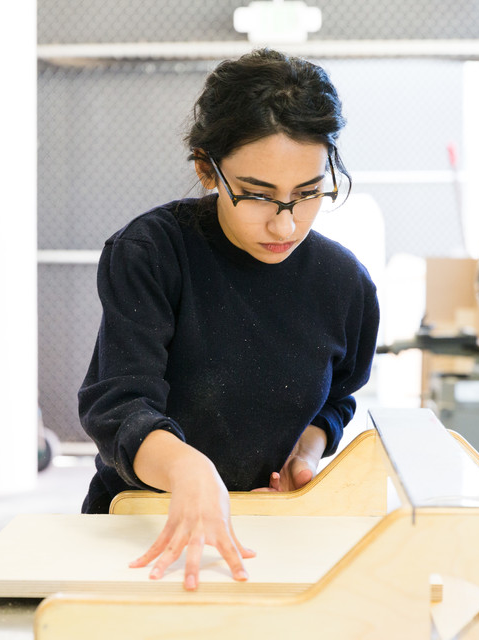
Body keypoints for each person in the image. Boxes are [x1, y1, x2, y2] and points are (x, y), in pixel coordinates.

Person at [78, 48, 380, 591]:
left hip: (268, 531)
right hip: (143, 529)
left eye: (308, 193)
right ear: (205, 167)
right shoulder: (151, 254)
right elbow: (117, 404)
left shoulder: (345, 285)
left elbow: (337, 399)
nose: (286, 225)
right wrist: (188, 471)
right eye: (258, 195)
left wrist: (302, 455)